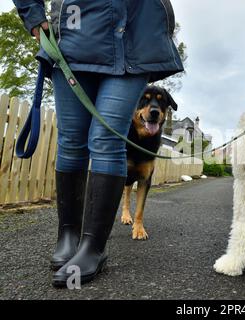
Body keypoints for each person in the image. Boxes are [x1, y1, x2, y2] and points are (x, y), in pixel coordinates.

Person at [13, 0, 183, 287]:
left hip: (136, 37)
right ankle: (68, 235)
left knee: (106, 140)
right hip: (75, 35)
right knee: (71, 140)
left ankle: (93, 247)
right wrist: (32, 14)